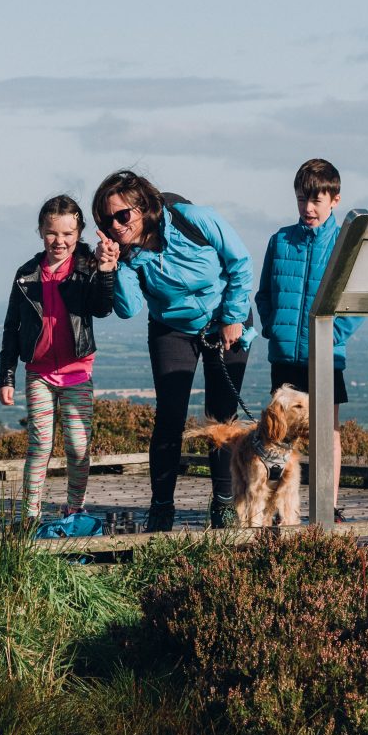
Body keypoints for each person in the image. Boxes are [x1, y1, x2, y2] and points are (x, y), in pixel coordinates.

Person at [91, 170, 256, 532]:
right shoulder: (128, 255)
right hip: (171, 328)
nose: (116, 225)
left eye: (123, 215)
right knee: (169, 416)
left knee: (222, 416)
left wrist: (231, 317)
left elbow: (240, 263)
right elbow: (129, 307)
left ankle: (224, 503)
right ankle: (161, 506)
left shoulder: (193, 219)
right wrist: (113, 265)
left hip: (225, 318)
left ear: (143, 206)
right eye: (106, 220)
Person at [0, 195, 115, 521]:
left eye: (67, 234)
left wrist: (105, 270)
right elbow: (11, 327)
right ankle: (29, 517)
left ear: (78, 235)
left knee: (78, 448)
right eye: (52, 233)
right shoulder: (26, 274)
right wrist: (6, 377)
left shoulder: (87, 266)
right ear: (40, 231)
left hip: (77, 372)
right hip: (38, 373)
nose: (59, 241)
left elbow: (102, 307)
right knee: (40, 448)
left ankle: (75, 509)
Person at [255, 157, 360, 481]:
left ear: (335, 199)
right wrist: (274, 328)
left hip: (326, 355)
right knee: (279, 432)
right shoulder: (280, 240)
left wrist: (332, 334)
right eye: (303, 199)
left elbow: (355, 303)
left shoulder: (346, 243)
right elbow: (264, 295)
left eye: (316, 199)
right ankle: (277, 507)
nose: (308, 207)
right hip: (285, 355)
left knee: (327, 432)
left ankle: (329, 508)